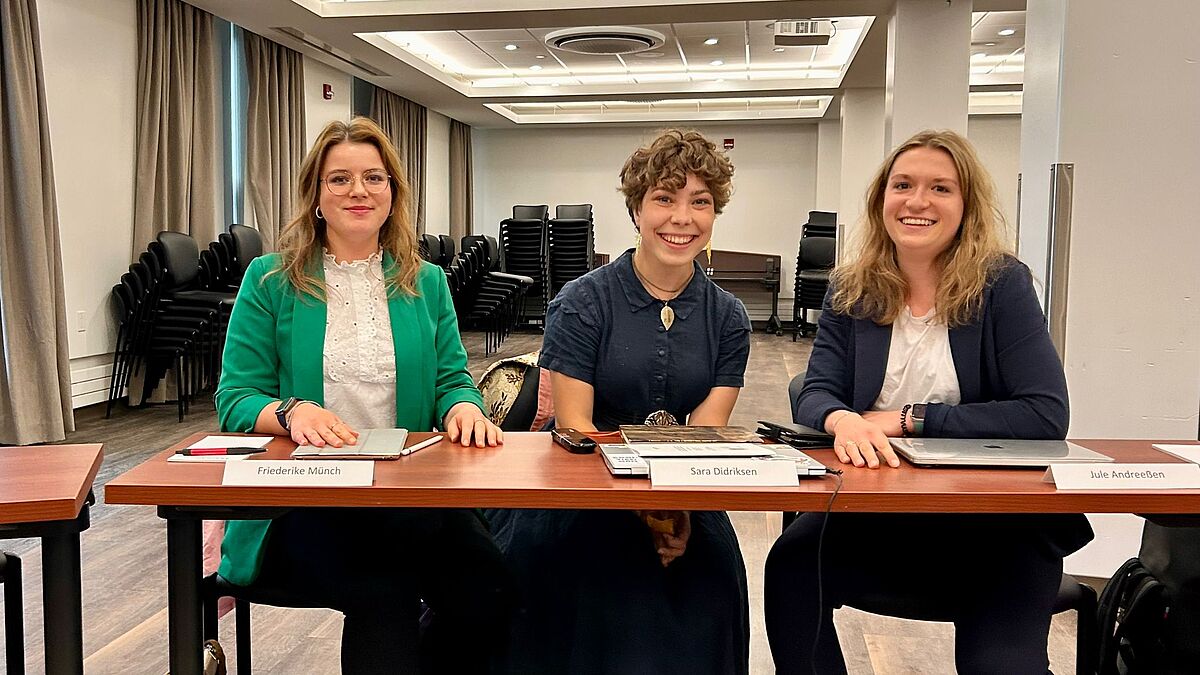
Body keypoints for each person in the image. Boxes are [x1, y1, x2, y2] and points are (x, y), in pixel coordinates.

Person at [763, 129, 1093, 674]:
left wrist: (908, 419)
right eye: (903, 185)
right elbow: (815, 391)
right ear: (881, 200)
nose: (918, 201)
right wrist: (843, 418)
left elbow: (1044, 412)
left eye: (940, 188)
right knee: (790, 566)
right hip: (875, 516)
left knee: (1001, 666)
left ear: (966, 206)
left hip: (997, 525)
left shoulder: (1002, 285)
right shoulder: (852, 288)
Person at [214, 116, 511, 674]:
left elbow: (451, 378)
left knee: (489, 587)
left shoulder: (427, 282)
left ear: (393, 193)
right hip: (302, 505)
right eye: (340, 179)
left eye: (374, 178)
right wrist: (289, 410)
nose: (358, 191)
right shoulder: (270, 279)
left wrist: (465, 404)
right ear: (316, 195)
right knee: (386, 588)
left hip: (409, 495)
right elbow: (235, 398)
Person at [486, 129, 752, 674]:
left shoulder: (729, 317)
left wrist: (676, 508)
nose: (682, 217)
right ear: (636, 208)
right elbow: (576, 426)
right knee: (605, 586)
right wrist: (642, 510)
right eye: (665, 198)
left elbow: (705, 433)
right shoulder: (581, 302)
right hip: (585, 486)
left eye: (699, 202)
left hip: (684, 488)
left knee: (714, 578)